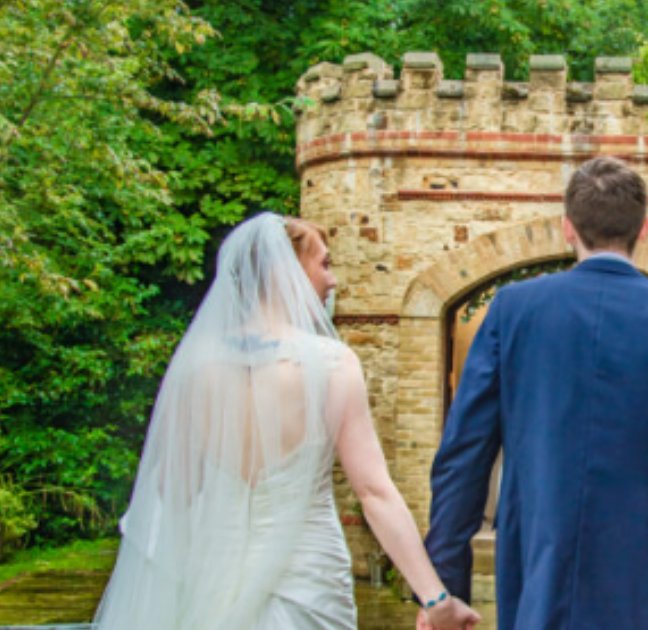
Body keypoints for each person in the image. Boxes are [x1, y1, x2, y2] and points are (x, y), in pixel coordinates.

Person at [93, 213, 481, 629]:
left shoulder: (196, 369)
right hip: (308, 579)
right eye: (324, 264)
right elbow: (374, 493)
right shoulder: (332, 364)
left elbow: (173, 495)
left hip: (214, 577)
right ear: (285, 271)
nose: (332, 282)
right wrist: (436, 598)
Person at [422, 157, 648, 630]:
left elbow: (463, 457)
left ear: (567, 229)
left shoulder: (513, 311)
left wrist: (443, 593)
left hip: (538, 579)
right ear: (646, 229)